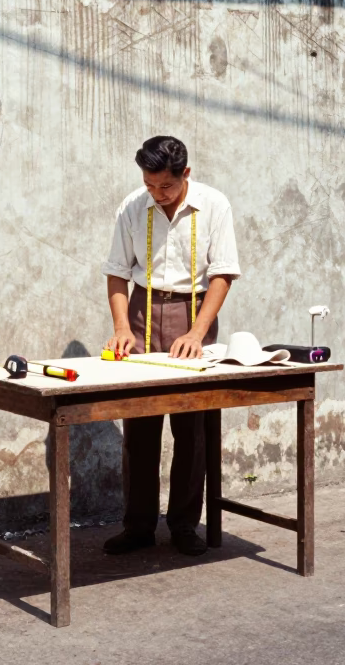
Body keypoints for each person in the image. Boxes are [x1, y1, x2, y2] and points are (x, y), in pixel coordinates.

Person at [101, 135, 241, 556]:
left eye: (166, 186)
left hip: (193, 312)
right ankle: (139, 526)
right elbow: (116, 272)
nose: (157, 194)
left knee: (192, 430)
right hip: (143, 313)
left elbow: (223, 274)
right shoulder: (131, 207)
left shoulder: (214, 205)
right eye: (149, 185)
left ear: (186, 175)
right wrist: (123, 327)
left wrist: (198, 332)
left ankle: (183, 526)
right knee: (138, 427)